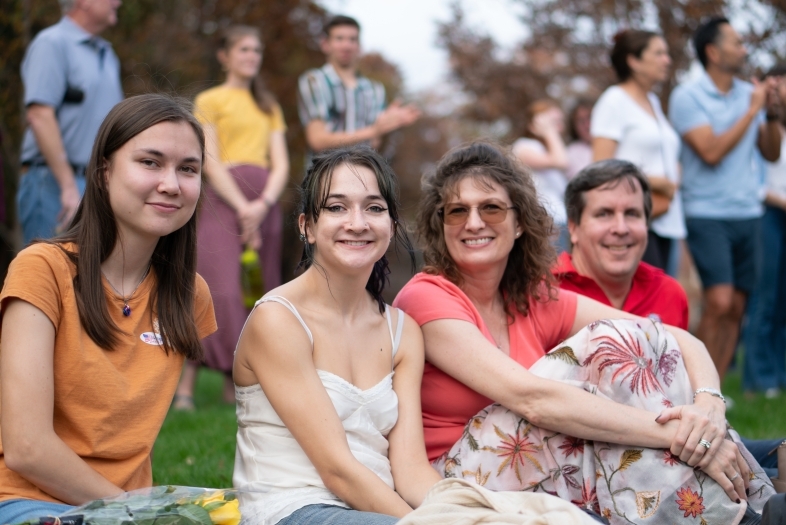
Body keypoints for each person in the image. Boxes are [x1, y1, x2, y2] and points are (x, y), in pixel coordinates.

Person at [394, 142, 779, 524]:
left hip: (536, 460)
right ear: (439, 224)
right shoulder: (427, 296)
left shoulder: (531, 297)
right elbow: (530, 399)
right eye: (457, 211)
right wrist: (681, 435)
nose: (473, 222)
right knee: (603, 343)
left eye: (491, 208)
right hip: (460, 477)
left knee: (637, 343)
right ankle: (753, 514)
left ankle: (749, 515)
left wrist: (709, 406)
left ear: (520, 223)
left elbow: (676, 336)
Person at [0, 94, 217, 525]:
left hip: (122, 511)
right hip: (28, 503)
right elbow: (26, 448)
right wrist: (143, 512)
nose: (171, 183)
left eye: (187, 169)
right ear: (103, 172)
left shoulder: (190, 294)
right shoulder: (43, 269)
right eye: (150, 162)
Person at [232, 146, 441, 525]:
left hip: (378, 511)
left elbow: (410, 470)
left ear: (392, 226)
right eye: (336, 207)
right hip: (293, 509)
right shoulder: (278, 319)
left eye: (374, 208)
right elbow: (337, 469)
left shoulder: (402, 331)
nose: (357, 223)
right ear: (306, 226)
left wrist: (468, 511)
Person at [555, 158, 782, 479]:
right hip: (587, 459)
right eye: (604, 214)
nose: (620, 228)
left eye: (632, 214)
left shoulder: (668, 291)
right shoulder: (548, 292)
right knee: (763, 485)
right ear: (574, 228)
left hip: (676, 445)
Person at [173, 25, 290, 409]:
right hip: (223, 202)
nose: (251, 56)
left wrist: (263, 204)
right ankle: (186, 389)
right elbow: (209, 158)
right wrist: (242, 206)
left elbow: (282, 163)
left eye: (256, 50)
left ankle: (236, 386)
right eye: (243, 49)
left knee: (254, 292)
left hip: (265, 204)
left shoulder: (269, 105)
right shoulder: (209, 98)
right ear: (225, 56)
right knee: (216, 289)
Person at [668, 17, 781, 382]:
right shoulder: (687, 96)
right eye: (736, 42)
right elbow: (710, 151)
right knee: (717, 301)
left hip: (748, 212)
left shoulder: (749, 93)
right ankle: (692, 385)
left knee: (737, 306)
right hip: (706, 212)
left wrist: (773, 114)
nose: (744, 48)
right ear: (713, 52)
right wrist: (752, 110)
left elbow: (770, 152)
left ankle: (713, 390)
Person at [18, 0, 123, 245]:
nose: (118, 2)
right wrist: (67, 186)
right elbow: (40, 115)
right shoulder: (51, 44)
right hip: (52, 183)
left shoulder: (108, 54)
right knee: (46, 275)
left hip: (95, 183)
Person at [592, 30, 685, 273]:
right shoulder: (614, 101)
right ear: (633, 61)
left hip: (665, 218)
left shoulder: (653, 101)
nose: (667, 60)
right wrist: (653, 181)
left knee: (664, 304)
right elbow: (599, 167)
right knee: (646, 308)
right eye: (658, 53)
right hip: (633, 223)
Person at [297, 15, 420, 158]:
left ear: (359, 47)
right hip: (324, 175)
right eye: (339, 38)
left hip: (363, 175)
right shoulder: (314, 81)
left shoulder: (375, 90)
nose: (346, 45)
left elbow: (375, 144)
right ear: (325, 44)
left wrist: (388, 125)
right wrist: (373, 131)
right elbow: (317, 140)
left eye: (352, 39)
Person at [744, 64, 786, 399]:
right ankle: (758, 379)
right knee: (765, 298)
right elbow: (758, 177)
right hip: (767, 214)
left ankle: (779, 373)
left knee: (783, 300)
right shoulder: (760, 120)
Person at [512, 99, 571, 251]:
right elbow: (561, 161)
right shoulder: (524, 146)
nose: (559, 126)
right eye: (552, 122)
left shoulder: (547, 149)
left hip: (558, 221)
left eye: (559, 121)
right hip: (545, 222)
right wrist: (549, 132)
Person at [565, 99, 594, 180]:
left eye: (590, 117)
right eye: (581, 121)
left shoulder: (619, 145)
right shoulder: (571, 152)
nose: (587, 125)